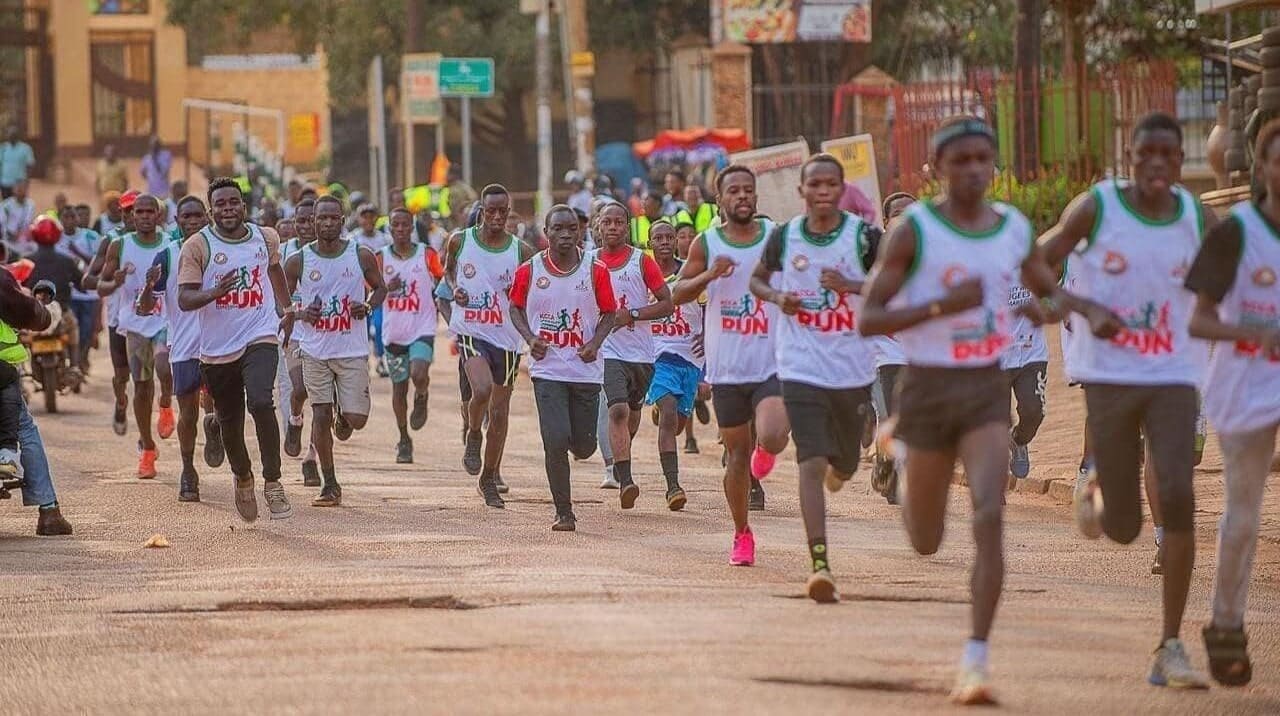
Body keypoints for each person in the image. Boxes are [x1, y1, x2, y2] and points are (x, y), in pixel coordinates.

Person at [860, 116, 1102, 704]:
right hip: (925, 391)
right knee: (924, 539)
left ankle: (975, 662)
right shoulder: (914, 232)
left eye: (982, 160)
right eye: (960, 160)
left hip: (984, 393)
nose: (972, 170)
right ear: (937, 169)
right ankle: (899, 444)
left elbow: (1044, 287)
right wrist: (943, 304)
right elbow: (870, 318)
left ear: (993, 166)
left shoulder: (1013, 229)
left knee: (989, 514)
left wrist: (1066, 307)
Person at [1039, 112, 1214, 691]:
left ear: (1180, 159)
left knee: (1179, 488)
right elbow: (1035, 263)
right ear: (1130, 157)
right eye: (1147, 155)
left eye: (1170, 154)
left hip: (1171, 373)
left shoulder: (1197, 215)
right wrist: (1082, 306)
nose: (1159, 165)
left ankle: (1170, 644)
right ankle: (1094, 487)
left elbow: (1242, 269)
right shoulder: (1097, 207)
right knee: (1120, 526)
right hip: (1111, 376)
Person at [750, 154, 877, 603]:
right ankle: (818, 563)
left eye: (831, 185)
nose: (823, 192)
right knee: (810, 461)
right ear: (802, 191)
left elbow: (892, 284)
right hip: (800, 365)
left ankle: (844, 465)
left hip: (852, 367)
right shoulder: (784, 238)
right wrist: (778, 297)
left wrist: (852, 286)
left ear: (842, 190)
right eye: (814, 185)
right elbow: (757, 282)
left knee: (844, 462)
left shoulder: (863, 238)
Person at [1185, 118, 1280, 688]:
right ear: (1262, 166)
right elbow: (1198, 319)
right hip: (1246, 380)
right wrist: (1254, 328)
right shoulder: (1236, 234)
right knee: (1244, 511)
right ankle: (1225, 626)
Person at [672, 165, 788, 566]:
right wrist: (709, 274)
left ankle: (766, 452)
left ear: (756, 197)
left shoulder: (776, 239)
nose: (742, 197)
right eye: (733, 191)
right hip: (728, 367)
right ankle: (742, 533)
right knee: (735, 456)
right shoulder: (707, 242)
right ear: (719, 200)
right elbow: (677, 294)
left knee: (773, 435)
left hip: (771, 359)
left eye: (748, 191)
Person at [178, 176, 295, 522]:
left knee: (261, 400)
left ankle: (273, 481)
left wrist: (287, 309)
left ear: (244, 206)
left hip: (260, 334)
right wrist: (215, 292)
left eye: (233, 202)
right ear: (211, 210)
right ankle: (243, 477)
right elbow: (185, 298)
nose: (228, 209)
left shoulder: (265, 236)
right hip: (217, 348)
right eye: (221, 204)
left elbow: (274, 270)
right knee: (229, 418)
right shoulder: (198, 246)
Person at [510, 205, 616, 530]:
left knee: (583, 446)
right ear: (546, 232)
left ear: (581, 231)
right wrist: (530, 338)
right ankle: (564, 512)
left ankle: (576, 441)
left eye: (572, 228)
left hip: (585, 371)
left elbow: (609, 312)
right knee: (554, 440)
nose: (566, 235)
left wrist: (595, 343)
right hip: (548, 370)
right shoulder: (530, 270)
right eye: (559, 229)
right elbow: (515, 307)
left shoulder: (594, 270)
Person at [283, 195, 386, 507]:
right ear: (313, 221)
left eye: (333, 218)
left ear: (343, 221)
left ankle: (346, 413)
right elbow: (281, 302)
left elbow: (381, 288)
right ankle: (329, 483)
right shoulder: (298, 260)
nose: (327, 223)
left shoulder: (361, 254)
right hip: (314, 349)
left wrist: (367, 305)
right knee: (321, 413)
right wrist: (299, 315)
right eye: (322, 218)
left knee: (355, 420)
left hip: (351, 349)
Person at [443, 184, 533, 507]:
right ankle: (472, 434)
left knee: (499, 411)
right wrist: (456, 290)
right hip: (472, 329)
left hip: (506, 337)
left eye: (502, 212)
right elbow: (448, 271)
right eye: (490, 211)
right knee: (480, 391)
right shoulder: (459, 240)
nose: (496, 217)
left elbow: (531, 291)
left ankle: (489, 477)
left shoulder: (521, 251)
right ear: (481, 211)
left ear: (509, 213)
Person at [137, 195, 224, 500]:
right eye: (185, 217)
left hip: (223, 344)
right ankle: (188, 470)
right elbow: (145, 309)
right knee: (187, 413)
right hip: (185, 346)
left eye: (198, 216)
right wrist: (148, 286)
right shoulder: (167, 256)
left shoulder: (223, 252)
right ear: (176, 222)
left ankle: (216, 424)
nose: (192, 222)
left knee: (223, 405)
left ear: (207, 218)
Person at [595, 203, 673, 510]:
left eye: (619, 222)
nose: (613, 227)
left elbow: (667, 304)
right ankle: (625, 479)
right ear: (599, 227)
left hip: (641, 354)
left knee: (632, 412)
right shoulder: (589, 263)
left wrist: (634, 314)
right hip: (608, 352)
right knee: (617, 411)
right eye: (607, 222)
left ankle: (622, 451)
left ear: (627, 228)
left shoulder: (642, 262)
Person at [97, 194, 176, 479]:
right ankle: (148, 450)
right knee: (141, 387)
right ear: (131, 215)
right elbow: (101, 287)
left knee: (164, 366)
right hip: (134, 325)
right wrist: (114, 280)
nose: (143, 216)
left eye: (149, 211)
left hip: (165, 319)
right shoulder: (120, 245)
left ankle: (166, 403)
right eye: (139, 211)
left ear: (158, 215)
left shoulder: (170, 243)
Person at [0, 266, 72, 535]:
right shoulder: (2, 279)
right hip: (3, 373)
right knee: (25, 429)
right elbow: (30, 313)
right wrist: (41, 309)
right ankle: (49, 511)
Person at [643, 220, 702, 509]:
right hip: (657, 355)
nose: (665, 242)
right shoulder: (642, 275)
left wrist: (708, 337)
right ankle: (673, 486)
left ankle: (663, 406)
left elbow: (707, 307)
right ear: (650, 243)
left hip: (690, 356)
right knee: (669, 415)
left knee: (677, 424)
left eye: (670, 237)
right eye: (659, 237)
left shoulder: (690, 274)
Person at [379, 206, 444, 463]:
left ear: (412, 227)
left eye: (406, 225)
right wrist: (385, 287)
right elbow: (369, 290)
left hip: (422, 327)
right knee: (398, 388)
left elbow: (442, 277)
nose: (401, 230)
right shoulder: (380, 258)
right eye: (396, 225)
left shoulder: (426, 254)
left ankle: (422, 395)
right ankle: (404, 438)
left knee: (419, 372)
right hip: (394, 332)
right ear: (390, 229)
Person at [867, 193, 914, 504]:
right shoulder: (872, 254)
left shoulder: (930, 252)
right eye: (896, 213)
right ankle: (887, 462)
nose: (903, 217)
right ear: (885, 222)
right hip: (885, 351)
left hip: (920, 351)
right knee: (892, 417)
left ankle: (889, 458)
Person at [84, 189, 139, 436]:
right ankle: (120, 402)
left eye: (136, 210)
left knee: (145, 379)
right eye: (126, 210)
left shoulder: (163, 240)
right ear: (120, 211)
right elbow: (88, 280)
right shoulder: (111, 241)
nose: (130, 215)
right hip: (119, 320)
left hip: (151, 320)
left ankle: (146, 438)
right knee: (122, 376)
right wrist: (112, 282)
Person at [281, 198, 320, 487]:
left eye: (311, 220)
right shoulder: (284, 254)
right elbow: (273, 296)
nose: (307, 226)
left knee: (323, 403)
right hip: (295, 334)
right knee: (300, 389)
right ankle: (295, 421)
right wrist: (297, 313)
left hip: (329, 338)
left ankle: (313, 459)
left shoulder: (336, 253)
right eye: (301, 221)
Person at [58, 204, 102, 373]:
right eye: (66, 217)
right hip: (68, 294)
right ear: (61, 219)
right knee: (69, 331)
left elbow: (98, 262)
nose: (69, 220)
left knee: (86, 331)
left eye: (72, 217)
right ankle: (74, 363)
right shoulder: (56, 238)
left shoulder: (91, 236)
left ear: (77, 218)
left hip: (89, 294)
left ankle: (83, 358)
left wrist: (77, 251)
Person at [1, 179, 36, 253]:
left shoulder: (31, 205)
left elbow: (30, 223)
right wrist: (12, 235)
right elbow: (2, 225)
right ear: (14, 190)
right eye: (18, 188)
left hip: (25, 240)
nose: (21, 190)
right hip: (9, 240)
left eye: (24, 188)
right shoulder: (5, 205)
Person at [0, 127, 35, 199]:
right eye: (9, 135)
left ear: (17, 136)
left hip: (19, 183)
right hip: (5, 183)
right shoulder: (3, 148)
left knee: (19, 206)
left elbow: (30, 165)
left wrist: (27, 181)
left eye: (13, 135)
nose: (10, 137)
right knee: (6, 206)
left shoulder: (25, 148)